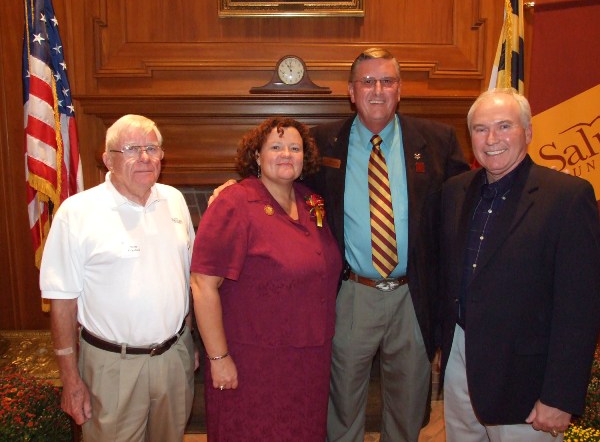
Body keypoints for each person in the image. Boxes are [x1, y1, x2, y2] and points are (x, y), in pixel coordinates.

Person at [305, 47, 470, 442]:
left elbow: (466, 201)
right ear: (351, 91)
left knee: (409, 405)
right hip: (351, 294)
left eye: (387, 81)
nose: (377, 89)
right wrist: (243, 189)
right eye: (367, 81)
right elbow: (285, 187)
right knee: (341, 403)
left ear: (399, 89)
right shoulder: (322, 142)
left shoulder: (437, 140)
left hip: (411, 296)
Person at [439, 88, 600, 442]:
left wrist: (560, 395)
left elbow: (580, 307)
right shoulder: (454, 191)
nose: (492, 139)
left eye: (504, 126)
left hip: (525, 381)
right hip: (460, 365)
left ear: (528, 133)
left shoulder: (568, 198)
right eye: (481, 129)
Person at [40, 114, 197, 442]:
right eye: (132, 149)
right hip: (113, 367)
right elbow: (62, 301)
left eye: (152, 148)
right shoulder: (77, 212)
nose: (144, 157)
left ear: (162, 156)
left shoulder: (175, 201)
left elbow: (187, 278)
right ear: (107, 159)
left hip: (172, 358)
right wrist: (70, 380)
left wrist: (189, 340)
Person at [191, 117, 342, 441]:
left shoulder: (309, 201)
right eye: (275, 146)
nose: (286, 154)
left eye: (294, 148)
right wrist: (218, 358)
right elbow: (203, 284)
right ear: (257, 157)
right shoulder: (235, 203)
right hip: (252, 364)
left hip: (307, 363)